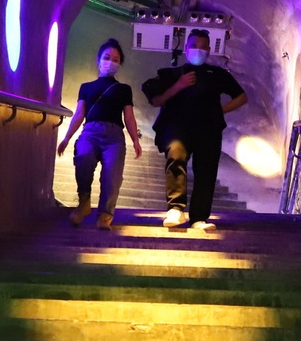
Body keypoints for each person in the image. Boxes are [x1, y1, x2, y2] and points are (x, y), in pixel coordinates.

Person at [141, 28, 248, 231]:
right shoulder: (172, 74)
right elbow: (156, 100)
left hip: (208, 130)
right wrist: (179, 85)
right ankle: (175, 209)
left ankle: (199, 218)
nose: (198, 50)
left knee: (206, 171)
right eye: (194, 46)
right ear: (186, 49)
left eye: (202, 47)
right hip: (177, 127)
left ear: (209, 50)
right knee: (176, 156)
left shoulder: (217, 74)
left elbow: (241, 97)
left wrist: (219, 111)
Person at [56, 38, 143, 229]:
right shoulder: (86, 87)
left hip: (114, 135)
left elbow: (128, 116)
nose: (110, 62)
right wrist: (67, 137)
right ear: (98, 59)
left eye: (115, 59)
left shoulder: (123, 89)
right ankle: (84, 202)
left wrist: (135, 140)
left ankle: (105, 214)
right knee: (84, 158)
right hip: (91, 131)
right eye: (107, 57)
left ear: (119, 64)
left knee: (112, 175)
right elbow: (79, 114)